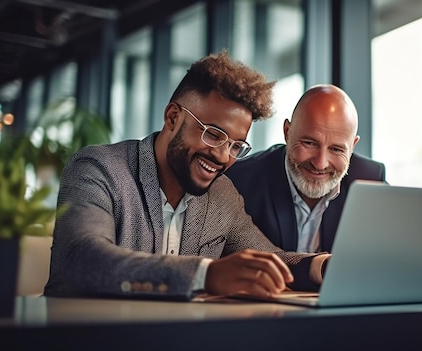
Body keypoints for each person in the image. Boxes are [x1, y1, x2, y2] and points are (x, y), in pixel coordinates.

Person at [44, 51, 328, 301]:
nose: (222, 156)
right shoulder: (99, 168)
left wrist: (324, 267)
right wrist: (205, 275)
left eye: (235, 146)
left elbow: (269, 260)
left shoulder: (222, 195)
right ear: (172, 117)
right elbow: (84, 260)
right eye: (213, 134)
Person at [225, 84, 386, 253]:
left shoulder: (372, 183)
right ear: (287, 132)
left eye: (336, 149)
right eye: (309, 143)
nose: (320, 163)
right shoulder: (239, 182)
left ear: (352, 146)